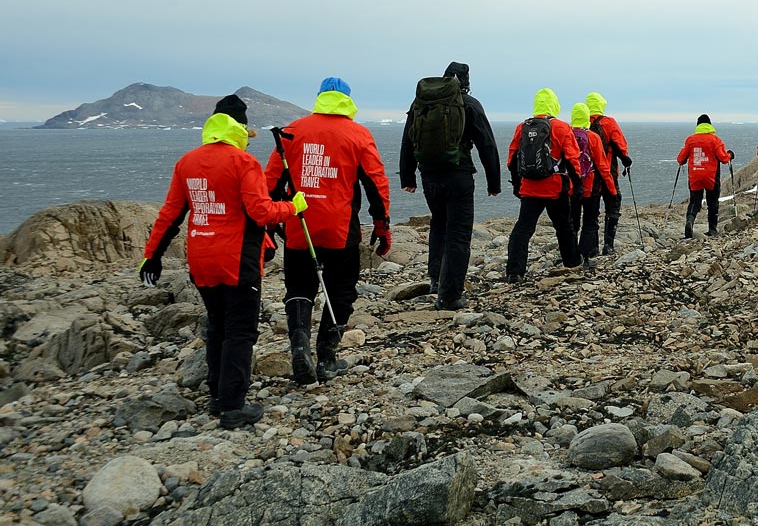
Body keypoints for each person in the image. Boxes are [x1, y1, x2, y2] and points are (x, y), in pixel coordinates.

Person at [139, 95, 305, 429]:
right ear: (240, 130)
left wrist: (152, 255)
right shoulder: (243, 163)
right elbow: (261, 212)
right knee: (240, 331)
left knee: (216, 324)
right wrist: (293, 206)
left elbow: (171, 214)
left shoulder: (187, 162)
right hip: (237, 259)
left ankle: (217, 392)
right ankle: (232, 406)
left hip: (201, 258)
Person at [265, 77, 390, 384]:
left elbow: (270, 182)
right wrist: (382, 225)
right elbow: (376, 184)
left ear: (319, 97)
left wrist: (268, 224)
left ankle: (299, 347)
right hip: (340, 228)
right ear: (348, 99)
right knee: (341, 291)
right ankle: (327, 357)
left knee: (298, 288)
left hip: (299, 224)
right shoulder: (358, 135)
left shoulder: (292, 132)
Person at [399, 62, 503, 311]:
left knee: (438, 225)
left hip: (429, 176)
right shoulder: (470, 104)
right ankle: (450, 295)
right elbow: (486, 144)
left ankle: (436, 280)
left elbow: (408, 140)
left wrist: (408, 178)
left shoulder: (421, 103)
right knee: (458, 233)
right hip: (459, 175)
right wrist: (494, 182)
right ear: (466, 82)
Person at [506, 88, 584, 281]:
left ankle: (514, 271)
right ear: (554, 104)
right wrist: (577, 186)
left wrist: (517, 185)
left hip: (530, 188)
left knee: (523, 229)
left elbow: (512, 160)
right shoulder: (561, 127)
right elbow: (573, 160)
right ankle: (571, 262)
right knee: (565, 227)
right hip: (555, 188)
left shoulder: (522, 127)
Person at [585, 92, 633, 255]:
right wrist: (626, 160)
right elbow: (621, 146)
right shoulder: (609, 122)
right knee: (613, 207)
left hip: (588, 176)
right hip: (608, 173)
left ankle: (592, 248)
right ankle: (608, 245)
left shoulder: (581, 124)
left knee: (591, 211)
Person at [567, 102, 616, 260]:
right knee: (590, 221)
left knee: (572, 222)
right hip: (590, 187)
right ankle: (587, 254)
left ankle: (572, 254)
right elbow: (603, 166)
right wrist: (612, 189)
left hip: (570, 188)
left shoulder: (565, 134)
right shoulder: (593, 137)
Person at [677, 114, 733, 237]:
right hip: (711, 176)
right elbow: (724, 159)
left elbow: (680, 159)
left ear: (698, 126)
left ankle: (690, 221)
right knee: (712, 202)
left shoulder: (690, 140)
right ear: (709, 125)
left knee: (694, 201)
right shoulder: (715, 140)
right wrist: (730, 155)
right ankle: (712, 229)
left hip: (695, 175)